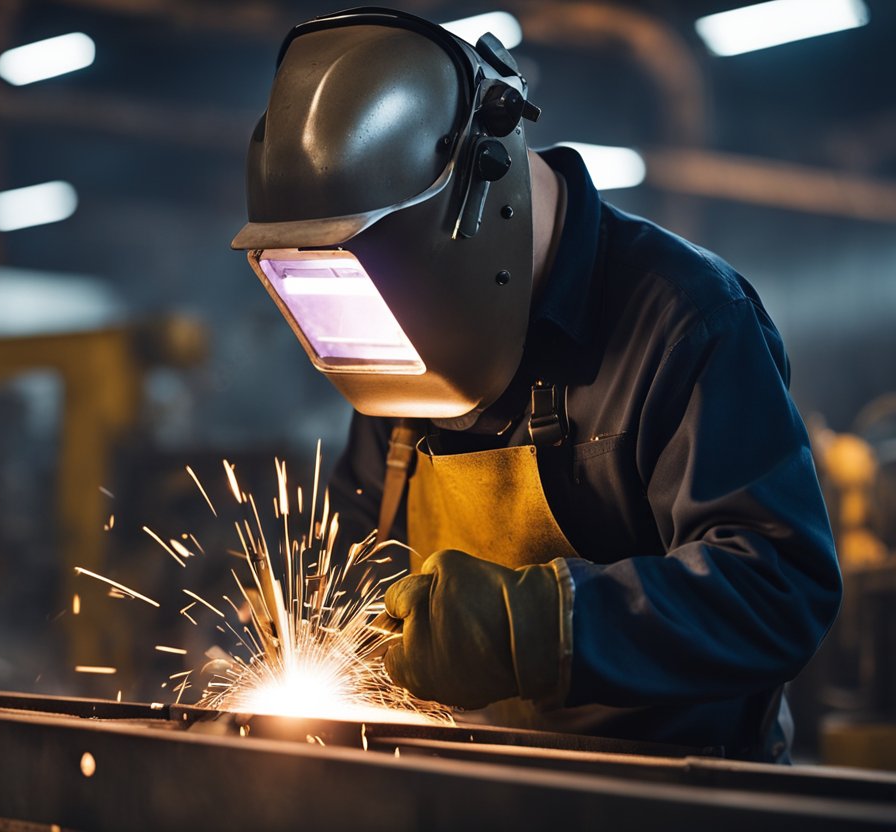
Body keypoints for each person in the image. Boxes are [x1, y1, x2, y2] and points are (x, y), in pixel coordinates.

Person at [229, 8, 841, 761]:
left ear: (476, 205)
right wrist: (320, 619)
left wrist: (546, 627)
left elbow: (779, 590)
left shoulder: (686, 318)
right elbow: (362, 548)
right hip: (475, 789)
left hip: (674, 801)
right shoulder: (391, 336)